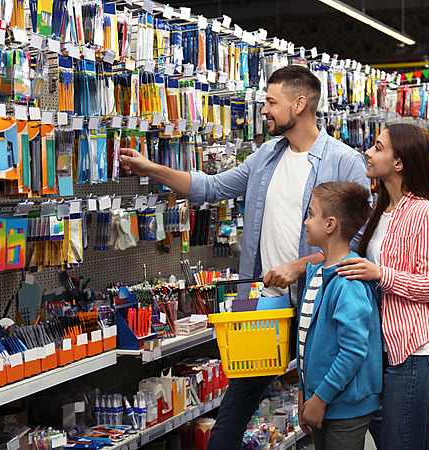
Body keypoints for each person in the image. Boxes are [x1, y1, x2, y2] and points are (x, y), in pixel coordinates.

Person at [119, 65, 370, 449]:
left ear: (299, 104)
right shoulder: (266, 155)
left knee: (327, 408)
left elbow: (354, 246)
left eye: (271, 101)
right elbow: (211, 187)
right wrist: (148, 167)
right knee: (234, 408)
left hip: (318, 308)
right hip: (262, 307)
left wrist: (298, 266)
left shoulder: (345, 161)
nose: (264, 110)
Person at [335, 123, 429, 450]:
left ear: (399, 162)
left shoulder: (425, 213)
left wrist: (380, 274)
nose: (367, 153)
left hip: (416, 352)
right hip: (391, 350)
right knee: (427, 440)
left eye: (377, 147)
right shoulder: (381, 210)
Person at [297, 181, 382, 450]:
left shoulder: (348, 284)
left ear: (331, 224)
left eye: (311, 214)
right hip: (321, 400)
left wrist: (320, 398)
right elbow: (306, 343)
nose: (306, 222)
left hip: (344, 407)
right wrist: (305, 394)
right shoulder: (317, 274)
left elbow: (353, 351)